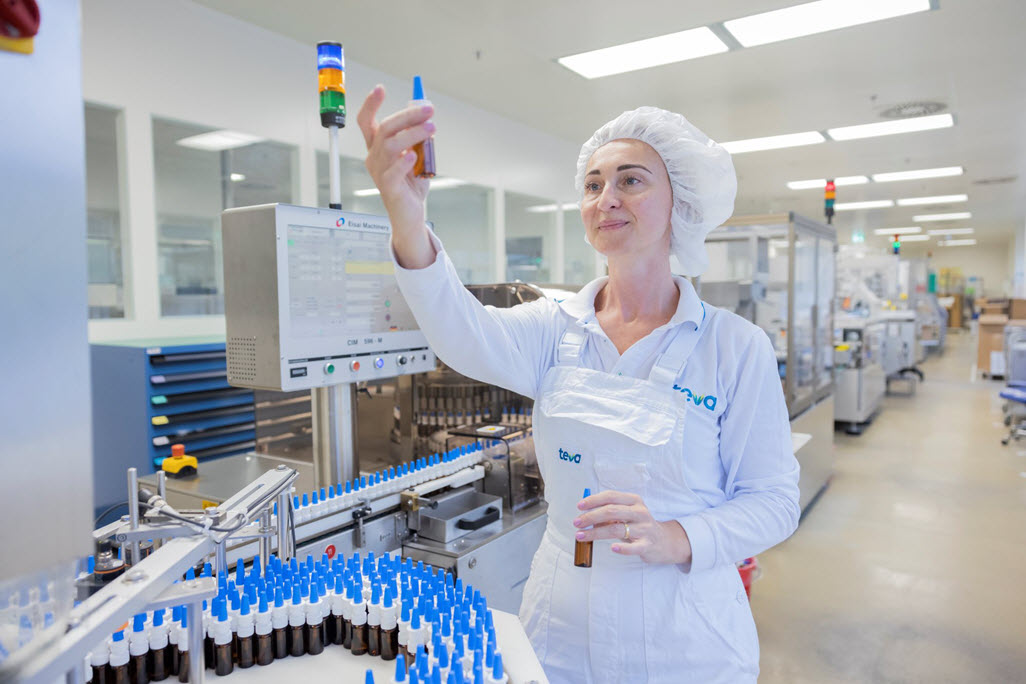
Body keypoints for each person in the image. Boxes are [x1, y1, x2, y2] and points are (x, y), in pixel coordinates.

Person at [358, 88, 801, 684]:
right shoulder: (555, 328)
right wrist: (406, 216)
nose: (606, 197)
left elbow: (774, 501)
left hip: (685, 632)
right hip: (562, 630)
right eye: (593, 185)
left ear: (681, 203)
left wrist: (677, 537)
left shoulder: (733, 346)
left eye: (631, 180)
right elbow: (461, 333)